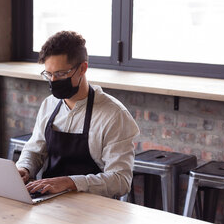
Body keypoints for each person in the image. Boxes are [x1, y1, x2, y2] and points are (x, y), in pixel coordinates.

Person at [16, 31, 139, 199]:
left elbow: (120, 180)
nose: (53, 81)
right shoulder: (49, 104)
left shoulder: (114, 115)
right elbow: (35, 150)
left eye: (60, 74)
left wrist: (70, 182)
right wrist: (24, 168)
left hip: (95, 209)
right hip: (49, 200)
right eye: (48, 74)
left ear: (83, 68)